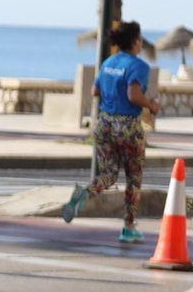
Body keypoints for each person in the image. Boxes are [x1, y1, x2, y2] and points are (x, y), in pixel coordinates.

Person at [61, 20, 160, 244]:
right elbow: (133, 95)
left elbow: (94, 90)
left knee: (108, 175)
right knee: (134, 178)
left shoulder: (108, 63)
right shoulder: (139, 66)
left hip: (104, 124)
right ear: (135, 41)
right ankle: (128, 226)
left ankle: (85, 192)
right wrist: (151, 105)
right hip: (127, 126)